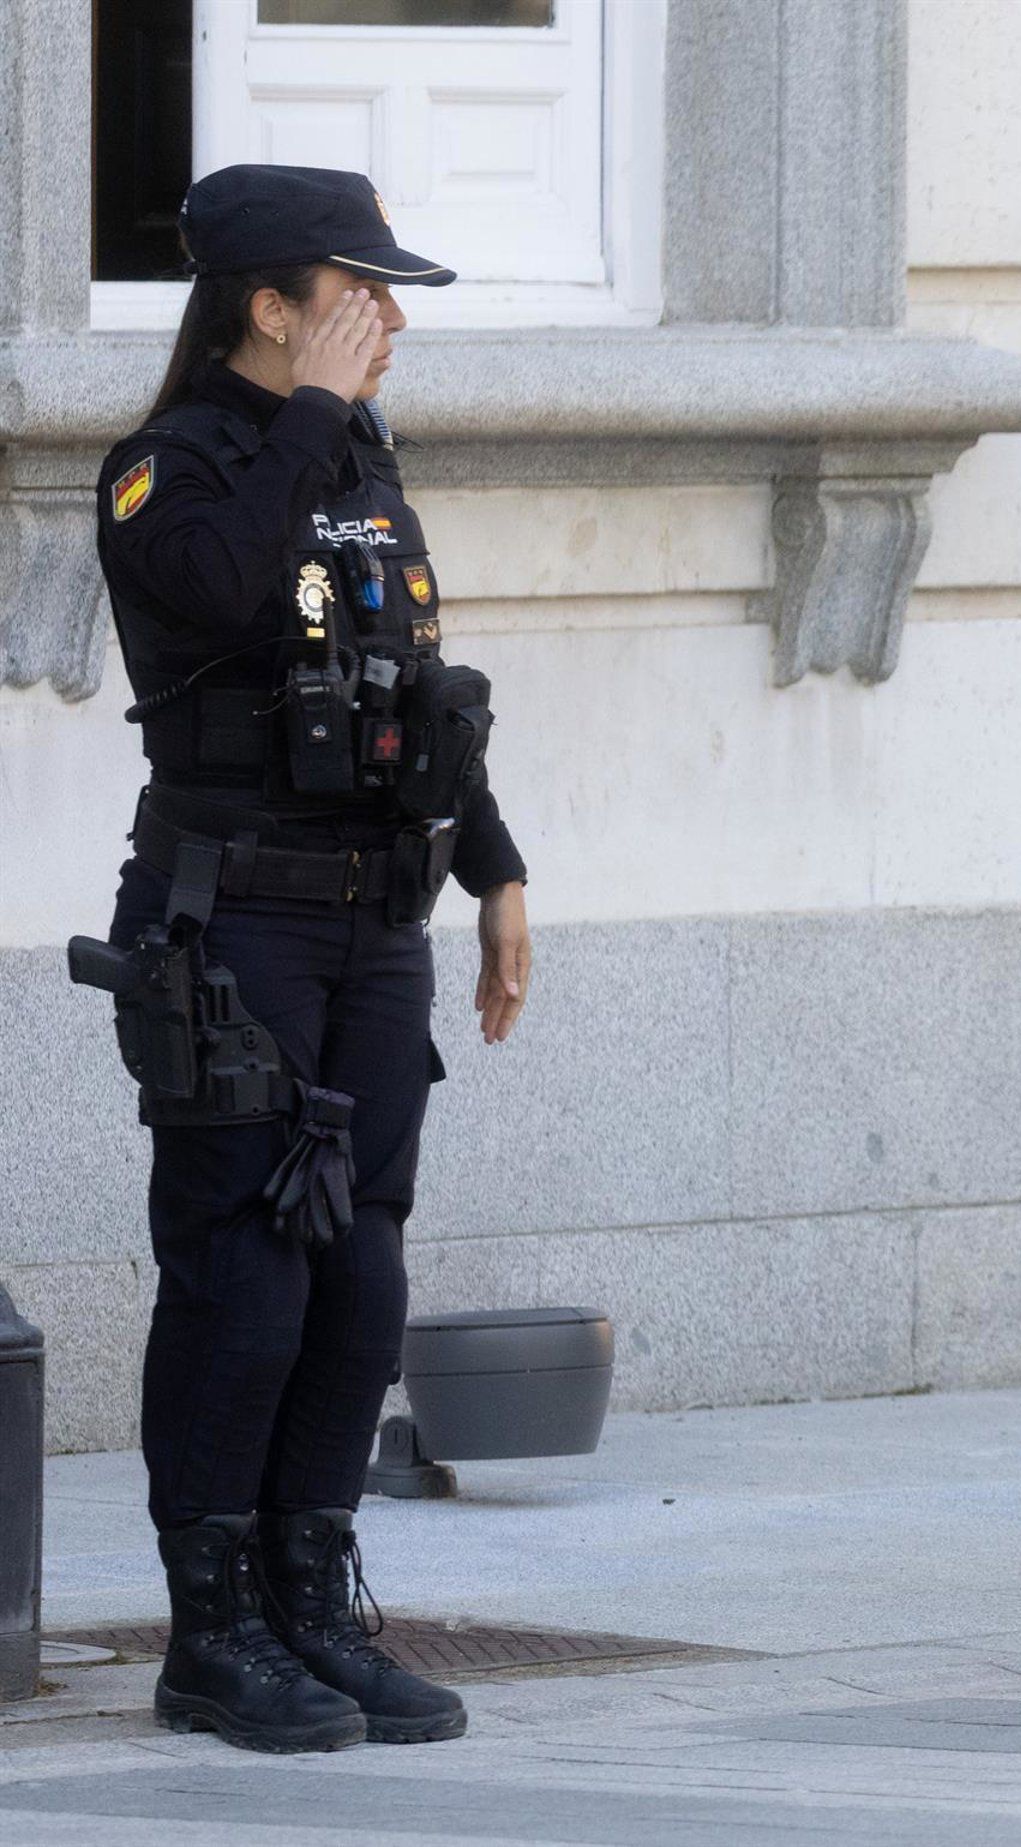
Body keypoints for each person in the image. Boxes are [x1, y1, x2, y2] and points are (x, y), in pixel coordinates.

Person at [82, 165, 532, 1752]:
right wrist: (310, 418)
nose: (388, 319)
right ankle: (212, 1636)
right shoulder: (169, 471)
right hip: (233, 922)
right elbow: (220, 595)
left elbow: (409, 677)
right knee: (246, 1276)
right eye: (359, 293)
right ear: (271, 309)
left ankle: (310, 1604)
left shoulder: (354, 455)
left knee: (360, 1278)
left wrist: (493, 865)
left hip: (373, 923)